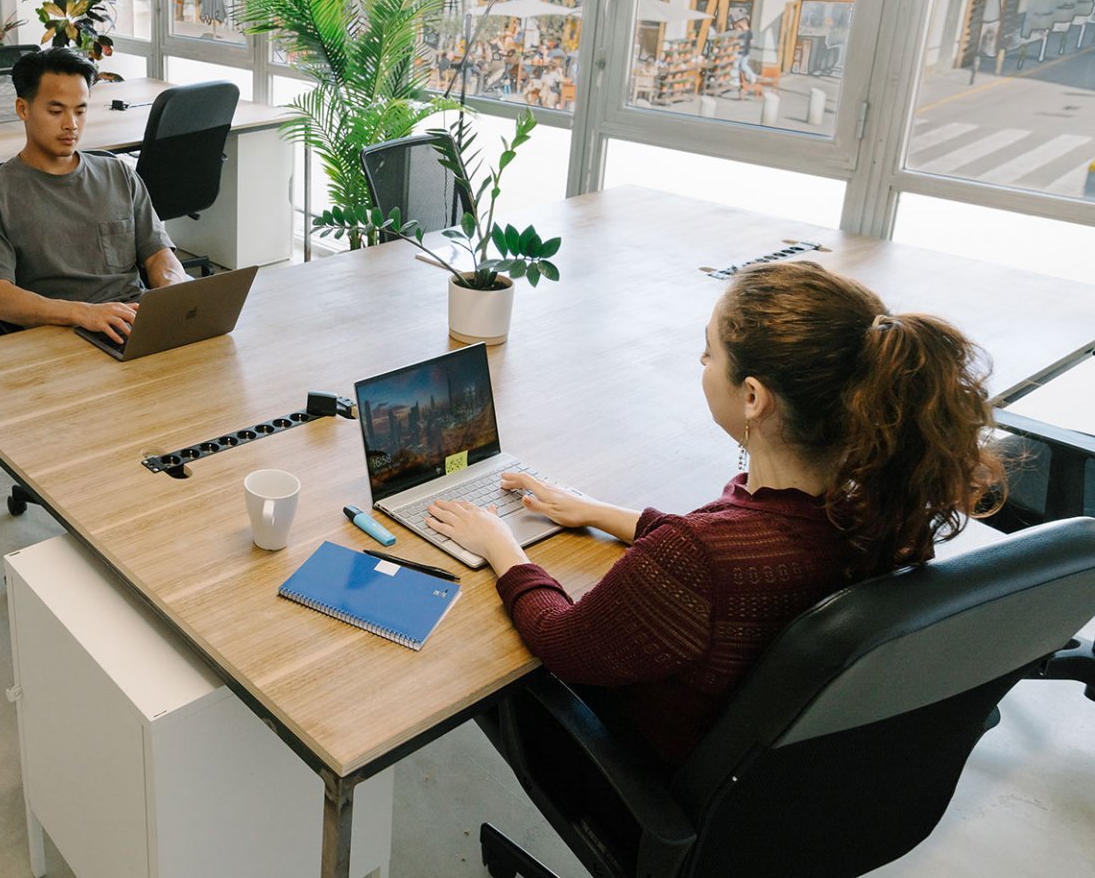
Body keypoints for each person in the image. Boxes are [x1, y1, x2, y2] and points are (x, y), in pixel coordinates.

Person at [426, 260, 1001, 767]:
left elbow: (563, 642)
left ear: (752, 396)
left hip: (653, 772)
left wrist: (503, 546)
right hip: (779, 783)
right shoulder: (880, 504)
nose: (701, 360)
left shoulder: (698, 554)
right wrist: (599, 512)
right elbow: (741, 558)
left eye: (711, 350)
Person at [0, 48, 190, 342]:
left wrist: (174, 291)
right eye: (56, 112)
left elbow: (159, 255)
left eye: (80, 111)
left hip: (131, 325)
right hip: (55, 338)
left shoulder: (118, 174)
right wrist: (84, 314)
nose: (71, 124)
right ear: (23, 109)